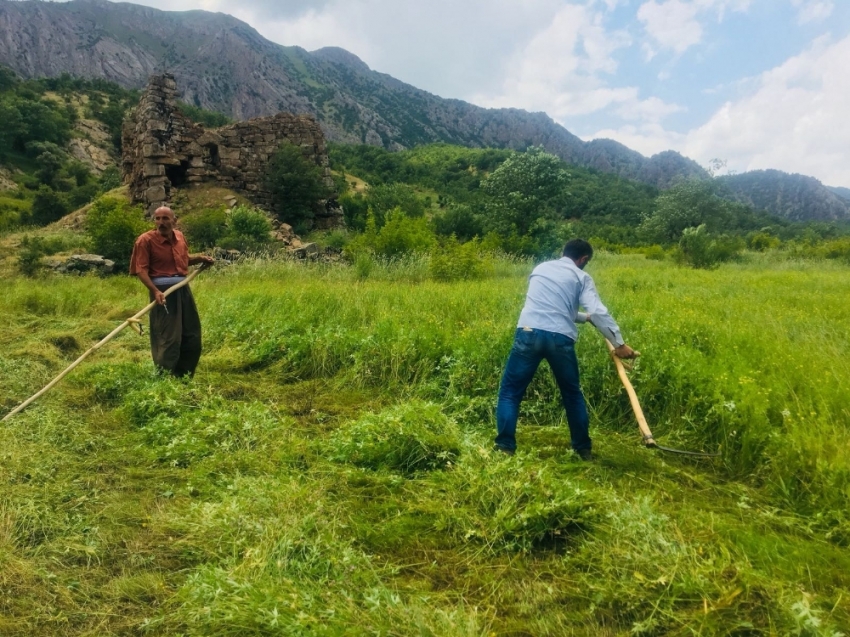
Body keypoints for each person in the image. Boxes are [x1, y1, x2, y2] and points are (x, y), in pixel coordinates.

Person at [494, 239, 638, 460]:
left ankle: (505, 447)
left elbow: (554, 307)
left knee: (510, 393)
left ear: (564, 252)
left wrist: (584, 318)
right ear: (583, 259)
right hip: (559, 338)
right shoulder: (581, 277)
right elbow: (598, 313)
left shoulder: (540, 268)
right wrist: (620, 344)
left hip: (528, 332)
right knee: (572, 395)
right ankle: (582, 449)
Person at [129, 206, 214, 378]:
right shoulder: (145, 241)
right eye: (158, 219)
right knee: (169, 338)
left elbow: (183, 260)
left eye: (165, 218)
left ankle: (184, 375)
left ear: (174, 220)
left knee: (191, 334)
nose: (161, 223)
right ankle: (164, 376)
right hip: (163, 294)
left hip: (183, 290)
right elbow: (141, 270)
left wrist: (200, 259)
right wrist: (155, 291)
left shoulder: (180, 237)